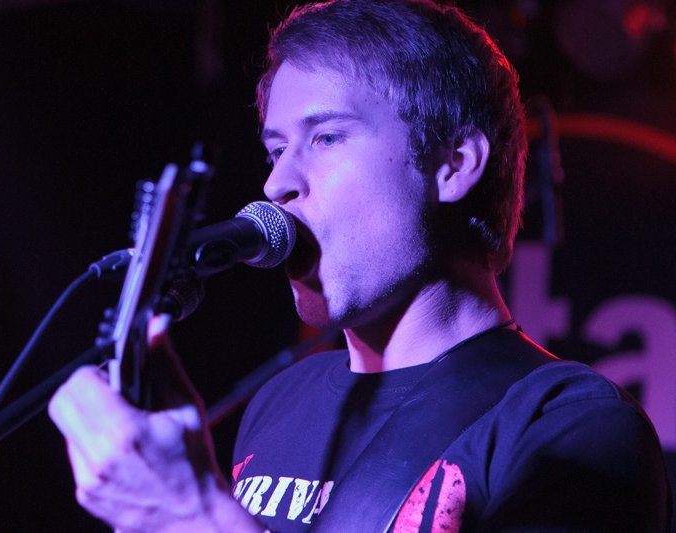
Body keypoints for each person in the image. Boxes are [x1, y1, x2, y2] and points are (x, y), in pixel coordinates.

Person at [48, 0, 672, 531]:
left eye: (326, 137)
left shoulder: (570, 425)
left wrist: (191, 514)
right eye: (275, 149)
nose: (276, 183)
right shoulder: (280, 402)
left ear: (454, 165)